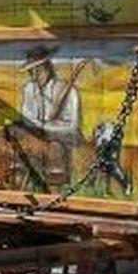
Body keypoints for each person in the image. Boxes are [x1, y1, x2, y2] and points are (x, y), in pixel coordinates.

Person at [15, 46, 81, 186]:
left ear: (48, 68)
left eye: (38, 71)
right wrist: (36, 127)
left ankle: (55, 185)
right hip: (35, 134)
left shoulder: (69, 92)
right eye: (30, 72)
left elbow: (72, 125)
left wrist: (46, 127)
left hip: (63, 137)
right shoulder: (29, 89)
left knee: (55, 149)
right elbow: (26, 116)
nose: (33, 76)